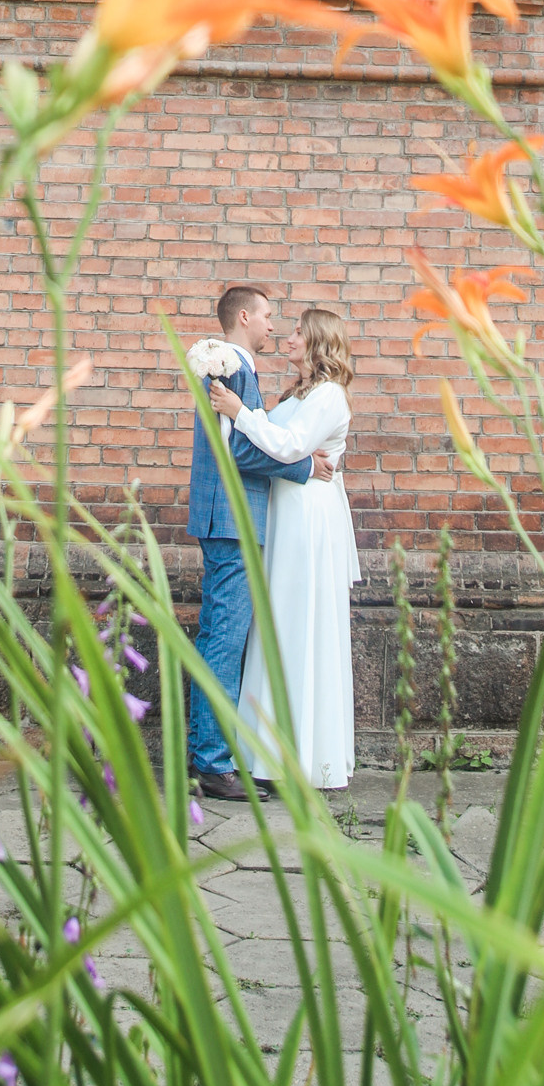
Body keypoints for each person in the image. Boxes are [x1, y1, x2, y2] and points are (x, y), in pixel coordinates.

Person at [207, 305, 358, 790]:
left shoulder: (330, 396)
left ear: (317, 344)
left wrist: (239, 413)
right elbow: (279, 444)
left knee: (299, 625)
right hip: (286, 515)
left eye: (297, 332)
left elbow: (290, 446)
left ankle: (301, 756)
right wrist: (253, 420)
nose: (287, 338)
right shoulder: (299, 393)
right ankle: (266, 752)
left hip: (307, 521)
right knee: (278, 626)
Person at [185, 284, 324, 801]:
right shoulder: (236, 368)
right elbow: (240, 452)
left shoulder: (228, 366)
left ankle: (207, 753)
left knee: (220, 632)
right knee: (225, 634)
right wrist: (307, 467)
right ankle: (212, 763)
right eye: (267, 316)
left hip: (222, 515)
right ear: (244, 316)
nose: (272, 326)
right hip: (234, 517)